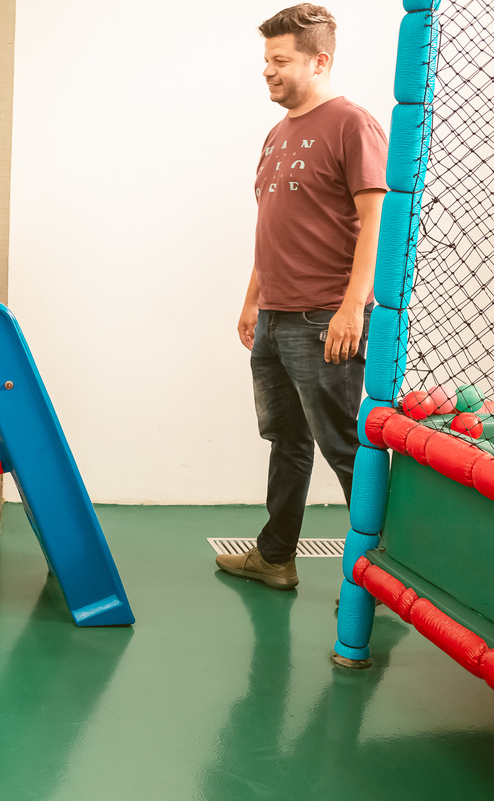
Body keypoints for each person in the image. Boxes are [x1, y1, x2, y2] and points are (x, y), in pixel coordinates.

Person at [217, 4, 387, 589]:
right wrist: (253, 299)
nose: (268, 70)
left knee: (345, 450)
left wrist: (352, 307)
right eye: (266, 59)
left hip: (323, 319)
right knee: (287, 441)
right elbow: (275, 225)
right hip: (274, 315)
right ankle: (275, 557)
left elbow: (376, 224)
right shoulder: (278, 133)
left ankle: (384, 579)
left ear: (319, 61)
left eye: (281, 60)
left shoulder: (351, 124)